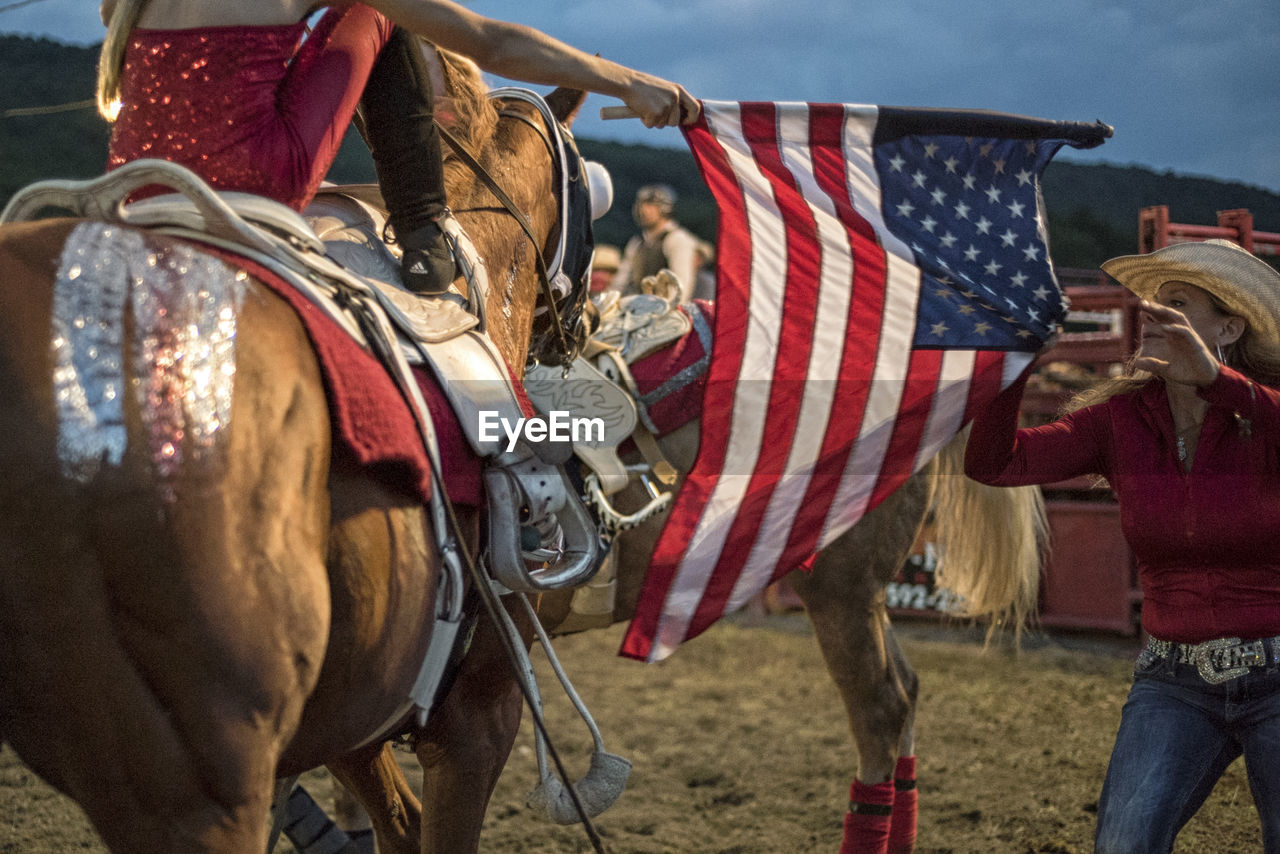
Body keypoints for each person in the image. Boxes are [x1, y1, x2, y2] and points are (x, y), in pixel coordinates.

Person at [963, 238, 1280, 853]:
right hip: (1174, 679)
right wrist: (1015, 364)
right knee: (1123, 844)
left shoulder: (1262, 416)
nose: (1151, 316)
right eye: (1152, 303)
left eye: (1177, 304)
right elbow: (994, 464)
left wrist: (1218, 383)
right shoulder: (1118, 421)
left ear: (1229, 327)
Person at [97, 0, 699, 293]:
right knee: (375, 9)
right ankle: (423, 227)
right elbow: (488, 42)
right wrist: (630, 81)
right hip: (251, 180)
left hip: (131, 185)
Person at [609, 184, 703, 302]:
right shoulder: (637, 243)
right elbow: (621, 281)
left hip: (667, 309)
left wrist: (670, 309)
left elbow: (681, 283)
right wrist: (611, 301)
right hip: (639, 307)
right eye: (641, 205)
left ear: (664, 208)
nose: (643, 210)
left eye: (650, 205)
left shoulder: (677, 239)